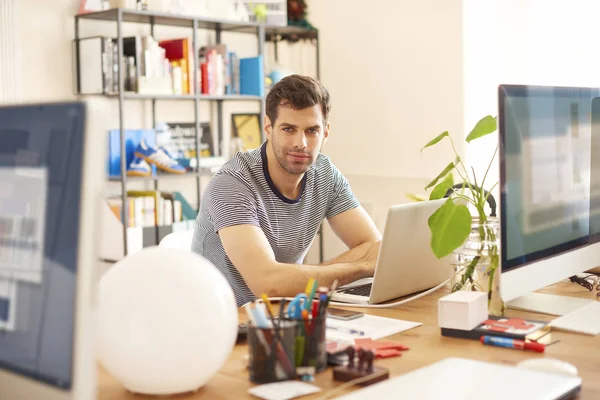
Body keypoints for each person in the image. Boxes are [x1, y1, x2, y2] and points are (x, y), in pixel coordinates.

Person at [191, 74, 381, 307]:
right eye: (289, 129)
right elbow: (268, 284)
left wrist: (296, 279)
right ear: (268, 128)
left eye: (312, 131)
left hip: (284, 313)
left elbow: (373, 247)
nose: (301, 142)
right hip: (222, 321)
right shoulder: (232, 184)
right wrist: (360, 267)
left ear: (326, 132)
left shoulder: (325, 174)